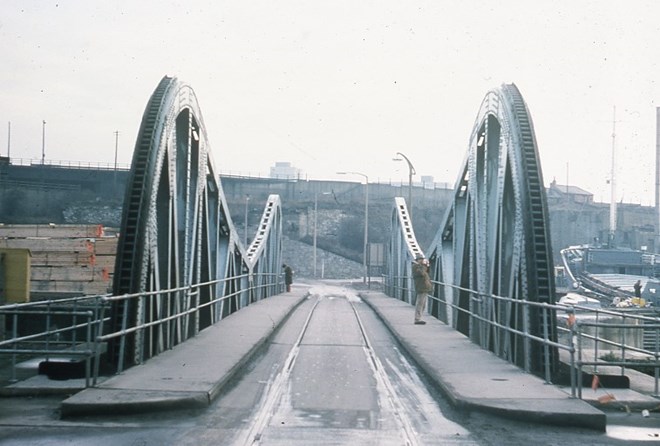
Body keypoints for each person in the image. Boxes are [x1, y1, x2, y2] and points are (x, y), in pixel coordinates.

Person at [412, 254, 432, 325]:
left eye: (422, 259)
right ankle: (417, 319)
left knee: (422, 304)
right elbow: (422, 273)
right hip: (421, 288)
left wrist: (427, 266)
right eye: (421, 259)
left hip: (424, 288)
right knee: (420, 304)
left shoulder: (421, 266)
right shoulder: (415, 266)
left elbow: (427, 273)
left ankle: (419, 318)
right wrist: (424, 266)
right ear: (417, 260)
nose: (422, 260)